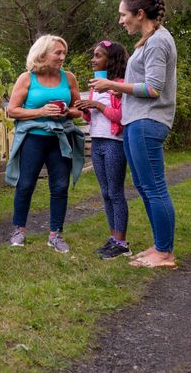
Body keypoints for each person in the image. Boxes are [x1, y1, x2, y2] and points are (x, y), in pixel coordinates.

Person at [89, 0, 177, 268]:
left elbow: (153, 88)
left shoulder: (159, 41)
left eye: (123, 14)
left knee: (154, 187)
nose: (120, 20)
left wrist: (112, 86)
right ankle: (159, 246)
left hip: (147, 121)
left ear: (140, 14)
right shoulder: (147, 42)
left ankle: (165, 252)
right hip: (134, 121)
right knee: (144, 186)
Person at [5, 35, 85, 253]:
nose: (62, 57)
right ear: (42, 54)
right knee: (26, 184)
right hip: (33, 138)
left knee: (60, 186)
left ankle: (55, 234)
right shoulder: (27, 78)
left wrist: (68, 112)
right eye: (57, 53)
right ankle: (18, 230)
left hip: (60, 139)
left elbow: (80, 109)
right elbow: (12, 110)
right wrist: (41, 112)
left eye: (63, 53)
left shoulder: (68, 78)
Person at [75, 40, 130, 259]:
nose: (93, 59)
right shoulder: (95, 85)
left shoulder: (120, 86)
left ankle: (122, 242)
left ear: (111, 60)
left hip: (114, 143)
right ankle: (113, 238)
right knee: (106, 192)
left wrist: (97, 105)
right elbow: (93, 117)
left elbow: (121, 117)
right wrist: (85, 109)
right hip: (97, 142)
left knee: (116, 192)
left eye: (98, 56)